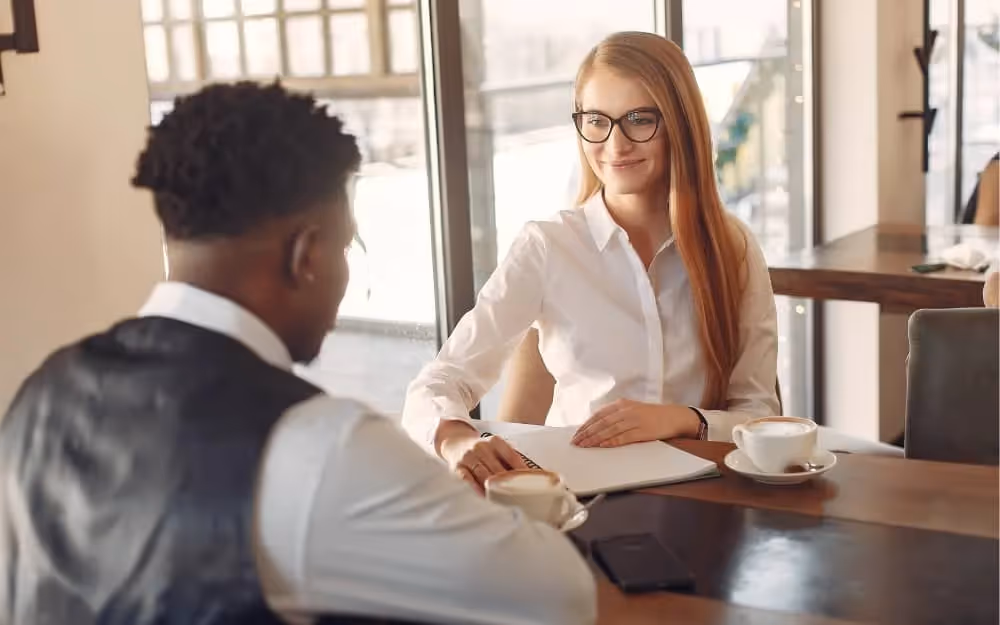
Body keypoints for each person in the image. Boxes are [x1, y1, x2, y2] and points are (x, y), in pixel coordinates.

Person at [0, 82, 595, 625]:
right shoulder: (321, 445)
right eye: (346, 247)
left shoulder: (40, 394)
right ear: (306, 255)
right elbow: (562, 595)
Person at [402, 32, 779, 491]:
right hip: (580, 499)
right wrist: (458, 438)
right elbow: (439, 382)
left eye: (640, 119)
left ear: (680, 123)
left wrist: (681, 420)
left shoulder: (733, 248)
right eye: (597, 120)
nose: (615, 144)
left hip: (708, 499)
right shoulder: (547, 247)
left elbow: (760, 415)